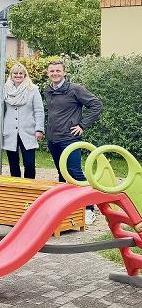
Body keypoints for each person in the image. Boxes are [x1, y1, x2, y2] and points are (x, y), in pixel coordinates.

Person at [43, 59, 102, 224]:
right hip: (53, 139)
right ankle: (65, 207)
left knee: (75, 173)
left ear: (64, 72)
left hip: (70, 139)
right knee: (62, 174)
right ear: (48, 73)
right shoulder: (48, 90)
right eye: (52, 71)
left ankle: (89, 208)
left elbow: (96, 105)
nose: (55, 73)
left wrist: (82, 125)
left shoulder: (74, 89)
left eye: (58, 71)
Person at [2, 63, 45, 179]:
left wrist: (39, 129)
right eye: (15, 73)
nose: (18, 75)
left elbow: (39, 111)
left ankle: (29, 187)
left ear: (25, 75)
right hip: (10, 131)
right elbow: (1, 111)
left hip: (28, 131)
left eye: (21, 73)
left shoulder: (33, 90)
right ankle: (16, 188)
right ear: (11, 75)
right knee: (13, 163)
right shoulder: (4, 90)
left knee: (29, 163)